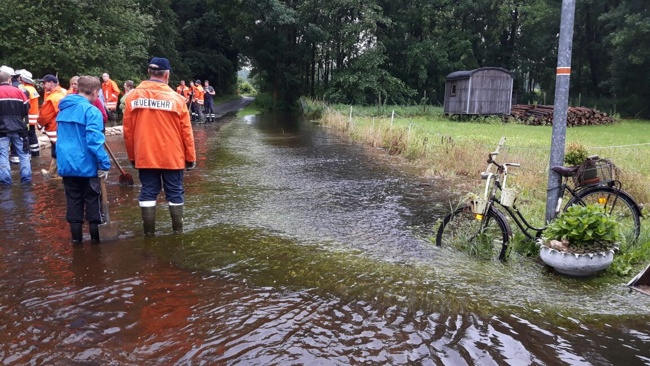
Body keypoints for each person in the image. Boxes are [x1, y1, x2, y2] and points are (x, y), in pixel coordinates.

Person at [123, 57, 196, 236]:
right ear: (167, 74)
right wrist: (191, 157)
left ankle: (149, 234)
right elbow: (186, 132)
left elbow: (128, 132)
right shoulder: (177, 100)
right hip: (173, 157)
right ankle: (177, 233)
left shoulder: (132, 97)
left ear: (149, 72)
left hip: (145, 155)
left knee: (148, 191)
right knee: (175, 192)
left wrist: (133, 157)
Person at [56, 76, 111, 244]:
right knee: (93, 204)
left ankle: (77, 243)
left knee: (73, 204)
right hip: (86, 166)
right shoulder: (91, 111)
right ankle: (96, 244)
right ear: (95, 92)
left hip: (66, 165)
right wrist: (104, 164)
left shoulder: (64, 109)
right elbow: (94, 141)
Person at [0, 71, 31, 185]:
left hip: (2, 130)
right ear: (9, 80)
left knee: (3, 155)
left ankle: (5, 182)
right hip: (19, 129)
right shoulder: (19, 92)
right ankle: (26, 181)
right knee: (23, 154)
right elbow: (26, 109)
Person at [37, 74, 66, 177]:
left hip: (55, 127)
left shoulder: (52, 98)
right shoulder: (64, 92)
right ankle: (54, 172)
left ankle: (55, 174)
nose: (43, 85)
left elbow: (44, 116)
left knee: (56, 150)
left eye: (44, 83)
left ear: (51, 83)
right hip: (64, 127)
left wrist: (39, 125)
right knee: (62, 149)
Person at [16, 70, 41, 157]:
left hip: (28, 116)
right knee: (32, 133)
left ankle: (29, 153)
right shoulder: (32, 88)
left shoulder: (25, 89)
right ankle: (35, 152)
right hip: (33, 115)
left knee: (27, 134)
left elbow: (25, 103)